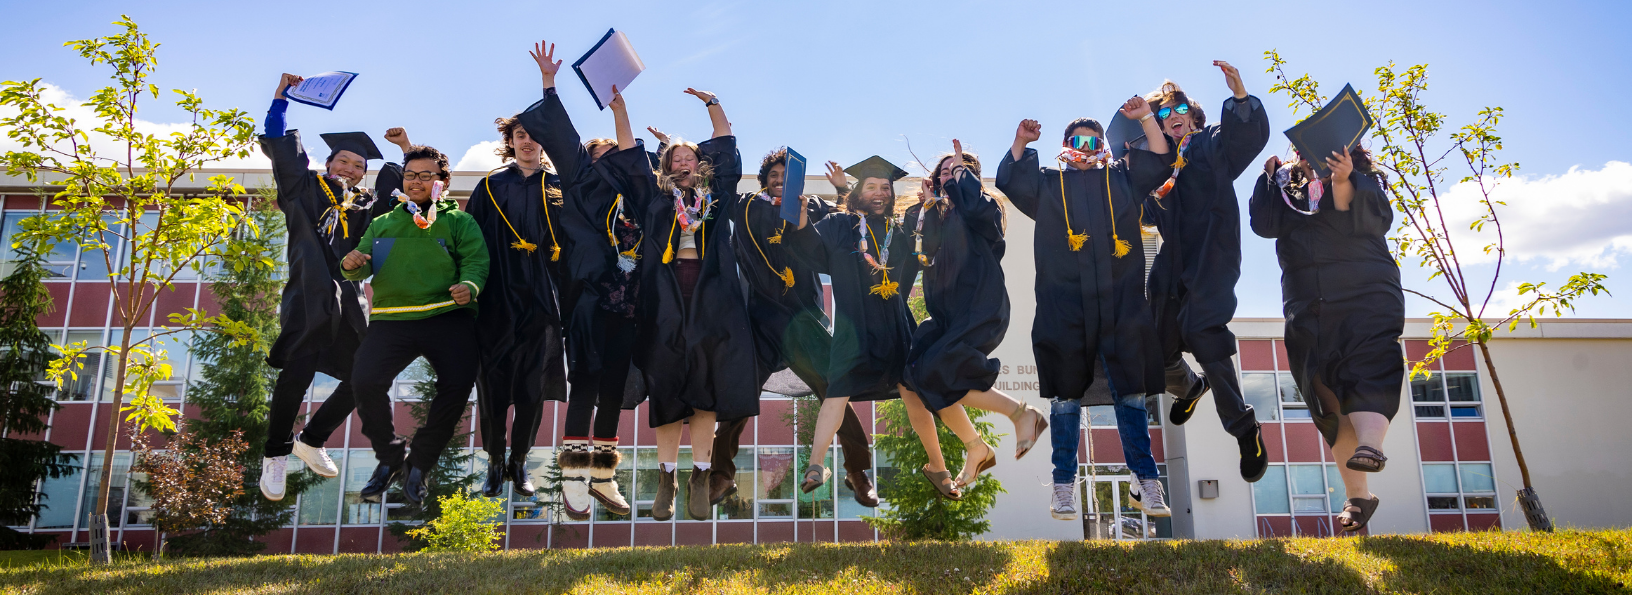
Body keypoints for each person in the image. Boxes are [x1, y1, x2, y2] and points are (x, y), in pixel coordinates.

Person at [995, 97, 1174, 521]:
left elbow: (1162, 160)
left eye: (1094, 141)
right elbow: (1009, 178)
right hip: (1065, 306)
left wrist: (1146, 118)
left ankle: (1145, 481)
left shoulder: (1122, 178)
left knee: (1130, 392)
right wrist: (1021, 140)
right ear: (1065, 143)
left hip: (1121, 303)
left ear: (1103, 147)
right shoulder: (1047, 183)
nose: (1086, 146)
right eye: (1078, 140)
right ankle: (1063, 485)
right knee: (1064, 397)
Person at [600, 85, 761, 521]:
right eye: (676, 157)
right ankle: (667, 478)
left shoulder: (717, 197)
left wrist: (713, 105)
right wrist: (621, 111)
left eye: (690, 156)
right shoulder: (654, 198)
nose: (683, 161)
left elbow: (727, 144)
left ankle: (701, 474)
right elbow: (631, 155)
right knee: (667, 386)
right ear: (667, 165)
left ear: (700, 164)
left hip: (712, 299)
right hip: (665, 297)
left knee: (706, 389)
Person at [257, 73, 402, 501]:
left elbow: (408, 189)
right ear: (328, 163)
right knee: (296, 377)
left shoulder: (365, 208)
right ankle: (276, 454)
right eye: (344, 162)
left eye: (359, 166)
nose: (352, 169)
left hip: (351, 301)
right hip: (308, 295)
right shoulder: (302, 190)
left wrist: (404, 150)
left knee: (368, 374)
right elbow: (277, 138)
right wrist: (281, 97)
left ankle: (313, 439)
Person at [1249, 147, 1402, 532]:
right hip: (1309, 303)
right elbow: (1265, 225)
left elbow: (1363, 217)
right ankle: (1359, 498)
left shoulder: (1360, 182)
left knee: (1367, 368)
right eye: (1301, 148)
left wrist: (1343, 177)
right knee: (1327, 398)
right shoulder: (1289, 189)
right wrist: (1269, 177)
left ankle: (1371, 446)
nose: (1307, 155)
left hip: (1365, 294)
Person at [519, 40, 637, 520]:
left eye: (615, 152)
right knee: (586, 379)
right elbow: (565, 139)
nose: (609, 156)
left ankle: (604, 475)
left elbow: (635, 155)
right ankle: (572, 476)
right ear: (588, 160)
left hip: (629, 299)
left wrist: (621, 111)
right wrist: (549, 82)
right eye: (599, 151)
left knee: (614, 382)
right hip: (590, 292)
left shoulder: (637, 195)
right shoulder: (580, 180)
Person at [1140, 61, 1272, 482]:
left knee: (1203, 331)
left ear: (1193, 117)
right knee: (1155, 348)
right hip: (1172, 263)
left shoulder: (1212, 144)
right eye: (1161, 114)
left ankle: (1244, 428)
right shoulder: (1160, 165)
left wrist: (1238, 96)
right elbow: (1142, 213)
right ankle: (1191, 387)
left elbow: (1244, 137)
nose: (1170, 117)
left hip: (1212, 259)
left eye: (1177, 110)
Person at [339, 144, 490, 505]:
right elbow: (361, 265)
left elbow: (476, 262)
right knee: (364, 380)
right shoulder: (383, 222)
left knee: (456, 386)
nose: (417, 182)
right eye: (410, 175)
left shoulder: (459, 221)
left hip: (446, 316)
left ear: (442, 181)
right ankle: (391, 458)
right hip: (393, 319)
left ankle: (420, 464)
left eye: (426, 175)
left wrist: (469, 286)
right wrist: (350, 263)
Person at [899, 141, 1047, 500]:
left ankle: (1022, 414)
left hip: (980, 306)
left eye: (959, 171)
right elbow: (920, 253)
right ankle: (975, 446)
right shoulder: (935, 214)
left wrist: (961, 180)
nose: (949, 176)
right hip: (946, 317)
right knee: (911, 377)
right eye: (944, 172)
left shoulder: (983, 208)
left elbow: (982, 214)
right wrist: (928, 208)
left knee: (937, 370)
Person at [780, 155, 918, 505]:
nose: (880, 192)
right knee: (837, 391)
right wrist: (799, 221)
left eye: (885, 187)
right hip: (853, 328)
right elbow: (810, 245)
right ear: (858, 192)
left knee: (912, 390)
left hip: (894, 326)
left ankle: (938, 465)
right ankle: (815, 465)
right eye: (870, 186)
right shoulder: (841, 224)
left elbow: (914, 265)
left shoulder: (898, 230)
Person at [465, 102, 571, 499]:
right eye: (520, 136)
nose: (527, 142)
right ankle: (494, 460)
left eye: (533, 136)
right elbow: (470, 241)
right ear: (510, 142)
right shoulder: (491, 186)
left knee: (532, 387)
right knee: (491, 386)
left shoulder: (559, 187)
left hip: (543, 301)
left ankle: (520, 460)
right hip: (497, 299)